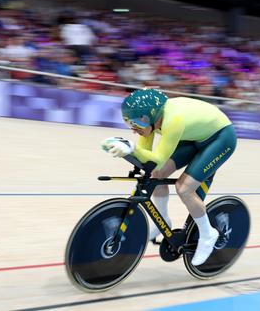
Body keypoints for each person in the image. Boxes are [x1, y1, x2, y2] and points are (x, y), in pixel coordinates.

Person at [101, 88, 237, 266]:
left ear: (148, 116)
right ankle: (163, 220)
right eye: (129, 124)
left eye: (135, 123)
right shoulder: (153, 119)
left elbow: (156, 158)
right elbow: (147, 157)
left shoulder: (173, 120)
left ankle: (208, 234)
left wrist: (132, 148)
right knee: (157, 175)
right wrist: (127, 150)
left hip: (221, 139)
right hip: (194, 137)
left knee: (185, 188)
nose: (134, 130)